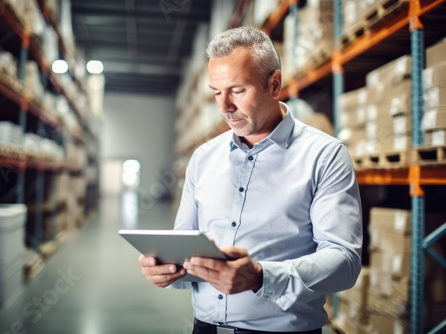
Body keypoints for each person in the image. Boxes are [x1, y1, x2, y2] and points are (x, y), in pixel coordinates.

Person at [139, 26, 362, 334]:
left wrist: (260, 276)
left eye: (237, 91)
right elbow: (187, 247)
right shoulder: (203, 158)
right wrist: (168, 269)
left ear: (274, 84)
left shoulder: (324, 155)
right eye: (217, 92)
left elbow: (344, 261)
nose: (224, 107)